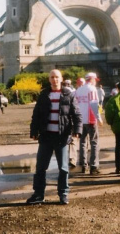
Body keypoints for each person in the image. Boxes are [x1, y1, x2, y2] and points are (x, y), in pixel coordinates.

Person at [27, 69, 82, 205]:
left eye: (57, 77)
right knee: (40, 167)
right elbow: (36, 115)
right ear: (49, 79)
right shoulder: (44, 94)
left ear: (61, 78)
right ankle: (38, 194)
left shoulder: (68, 94)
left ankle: (63, 194)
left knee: (63, 168)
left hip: (61, 137)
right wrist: (34, 131)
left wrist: (77, 130)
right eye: (52, 77)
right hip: (46, 136)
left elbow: (77, 114)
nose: (54, 80)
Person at [75, 72, 103, 174]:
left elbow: (76, 105)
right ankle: (94, 166)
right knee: (94, 142)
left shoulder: (78, 90)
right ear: (92, 79)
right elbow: (94, 104)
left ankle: (83, 165)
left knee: (82, 143)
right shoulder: (92, 89)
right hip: (91, 120)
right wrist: (99, 118)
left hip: (81, 120)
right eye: (95, 79)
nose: (95, 81)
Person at [64, 79, 78, 168]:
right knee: (70, 141)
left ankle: (71, 159)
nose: (67, 85)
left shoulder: (73, 93)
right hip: (67, 121)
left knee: (71, 140)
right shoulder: (73, 92)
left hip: (70, 121)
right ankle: (70, 159)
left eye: (68, 83)